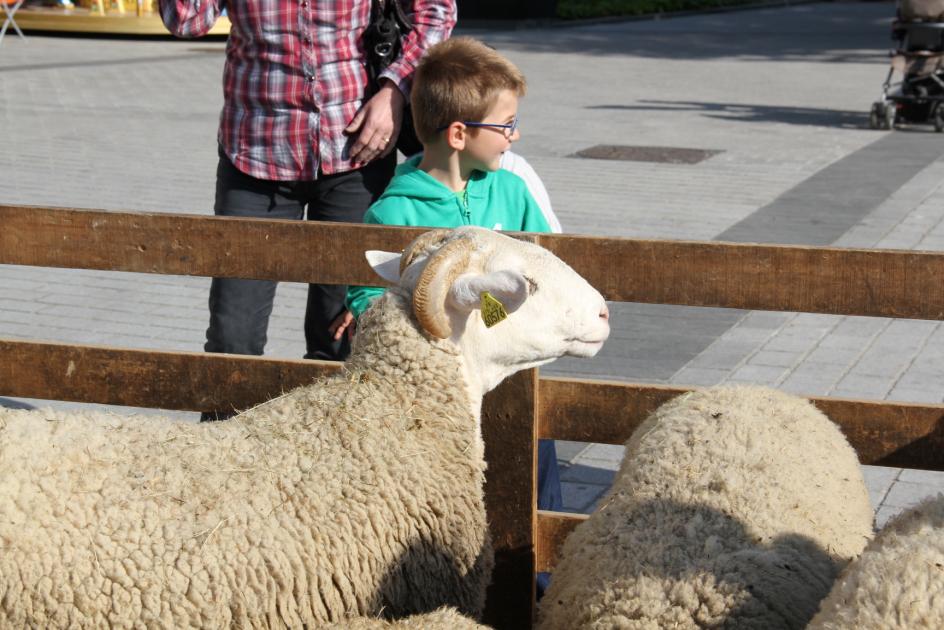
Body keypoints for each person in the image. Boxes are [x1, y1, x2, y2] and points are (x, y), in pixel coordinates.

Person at [158, 0, 456, 419]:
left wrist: (395, 90)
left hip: (357, 153)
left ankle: (334, 464)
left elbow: (436, 10)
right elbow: (186, 20)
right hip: (256, 153)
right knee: (232, 338)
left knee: (344, 333)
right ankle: (224, 471)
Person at [336, 36, 564, 514]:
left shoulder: (513, 193)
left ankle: (537, 581)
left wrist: (489, 315)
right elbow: (366, 298)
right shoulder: (393, 213)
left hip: (509, 374)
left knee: (533, 467)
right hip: (432, 391)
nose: (514, 136)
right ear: (459, 134)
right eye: (506, 125)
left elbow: (545, 274)